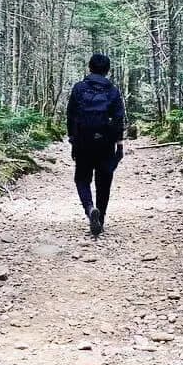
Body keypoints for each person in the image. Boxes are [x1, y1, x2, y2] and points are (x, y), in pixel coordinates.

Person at [66, 54, 125, 236]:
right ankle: (101, 218)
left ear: (89, 67)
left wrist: (72, 139)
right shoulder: (113, 91)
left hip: (83, 141)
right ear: (107, 70)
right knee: (104, 181)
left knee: (82, 179)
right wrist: (119, 144)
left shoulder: (79, 88)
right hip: (105, 142)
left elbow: (70, 116)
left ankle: (90, 208)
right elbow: (118, 118)